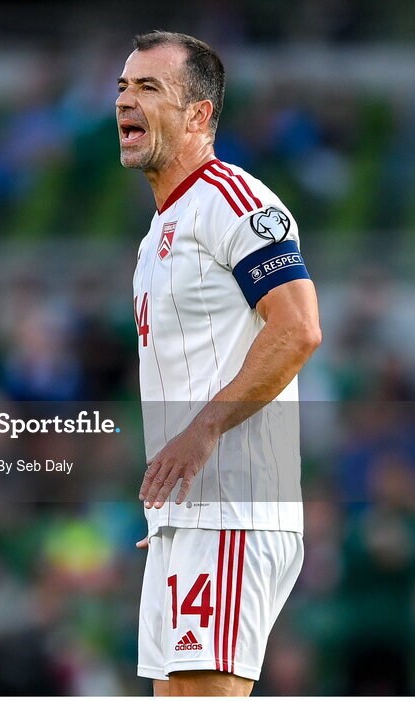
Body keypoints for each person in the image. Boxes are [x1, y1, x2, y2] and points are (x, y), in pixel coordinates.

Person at [117, 31, 322, 696]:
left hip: (234, 508)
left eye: (149, 87)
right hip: (190, 516)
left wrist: (202, 434)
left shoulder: (235, 201)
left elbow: (297, 330)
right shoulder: (157, 235)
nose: (126, 100)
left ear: (200, 115)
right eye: (123, 87)